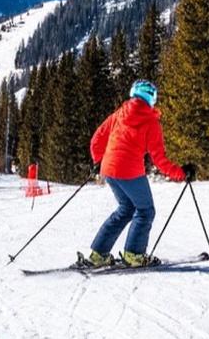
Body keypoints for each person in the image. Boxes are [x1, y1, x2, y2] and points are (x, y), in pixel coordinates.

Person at [78, 80, 197, 269]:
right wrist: (182, 173)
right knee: (145, 210)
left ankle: (98, 255)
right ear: (152, 98)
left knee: (126, 209)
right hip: (129, 171)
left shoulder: (120, 113)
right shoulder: (151, 121)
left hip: (109, 169)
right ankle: (134, 255)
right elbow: (160, 159)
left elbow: (97, 138)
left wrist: (98, 161)